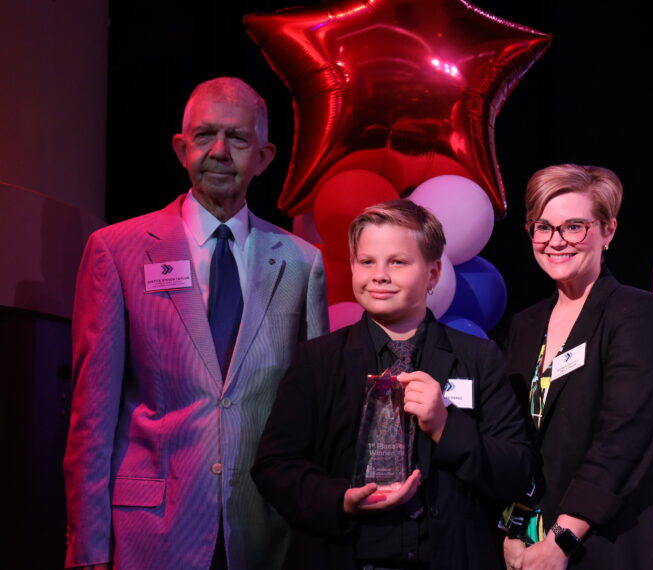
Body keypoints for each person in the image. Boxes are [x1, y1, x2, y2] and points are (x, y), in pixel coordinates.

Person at [64, 77, 329, 569]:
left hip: (267, 533)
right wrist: (88, 547)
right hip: (150, 531)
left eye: (239, 138)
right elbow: (92, 417)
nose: (220, 151)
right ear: (180, 148)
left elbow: (314, 415)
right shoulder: (116, 251)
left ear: (265, 157)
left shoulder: (301, 263)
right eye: (205, 135)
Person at [252, 200, 531, 569]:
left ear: (432, 275)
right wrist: (341, 499)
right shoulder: (317, 360)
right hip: (344, 555)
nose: (379, 275)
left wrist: (446, 427)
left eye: (398, 262)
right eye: (367, 262)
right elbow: (274, 467)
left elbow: (517, 472)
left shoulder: (479, 358)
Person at [501, 164, 653, 569]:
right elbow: (517, 441)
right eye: (543, 227)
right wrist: (513, 528)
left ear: (608, 231)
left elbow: (623, 440)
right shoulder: (526, 324)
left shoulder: (637, 315)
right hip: (532, 543)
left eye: (574, 227)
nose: (556, 241)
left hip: (610, 541)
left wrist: (562, 538)